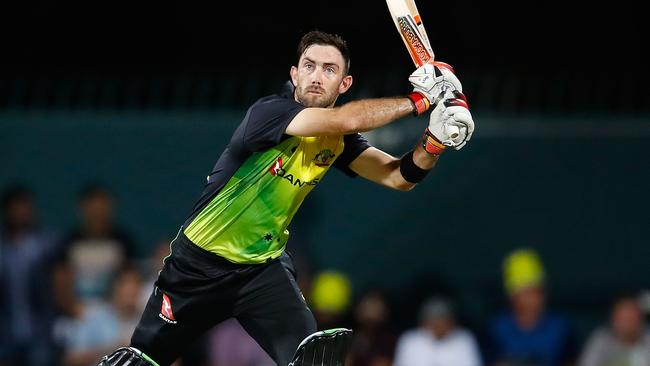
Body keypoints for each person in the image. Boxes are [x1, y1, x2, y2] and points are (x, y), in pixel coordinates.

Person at [97, 30, 475, 366]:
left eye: (329, 69)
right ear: (294, 73)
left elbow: (399, 177)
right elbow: (343, 121)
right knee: (140, 360)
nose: (316, 75)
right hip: (197, 266)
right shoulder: (269, 112)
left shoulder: (336, 140)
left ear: (344, 84)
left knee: (315, 359)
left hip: (261, 271)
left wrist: (435, 142)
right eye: (308, 65)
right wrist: (421, 101)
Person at [0, 186, 62, 366]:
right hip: (5, 331)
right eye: (15, 207)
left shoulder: (47, 243)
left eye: (24, 206)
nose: (20, 212)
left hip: (41, 330)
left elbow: (60, 280)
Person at [488, 249, 576, 366]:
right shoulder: (497, 329)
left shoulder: (560, 327)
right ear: (512, 296)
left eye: (536, 290)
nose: (532, 299)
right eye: (525, 292)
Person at [393, 296, 481, 366]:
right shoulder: (410, 340)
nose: (439, 325)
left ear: (452, 322)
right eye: (434, 320)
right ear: (425, 322)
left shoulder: (464, 338)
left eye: (443, 320)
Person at [579, 295, 650, 366]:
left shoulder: (647, 338)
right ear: (613, 320)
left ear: (640, 319)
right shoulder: (601, 340)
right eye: (623, 319)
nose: (626, 325)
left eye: (631, 319)